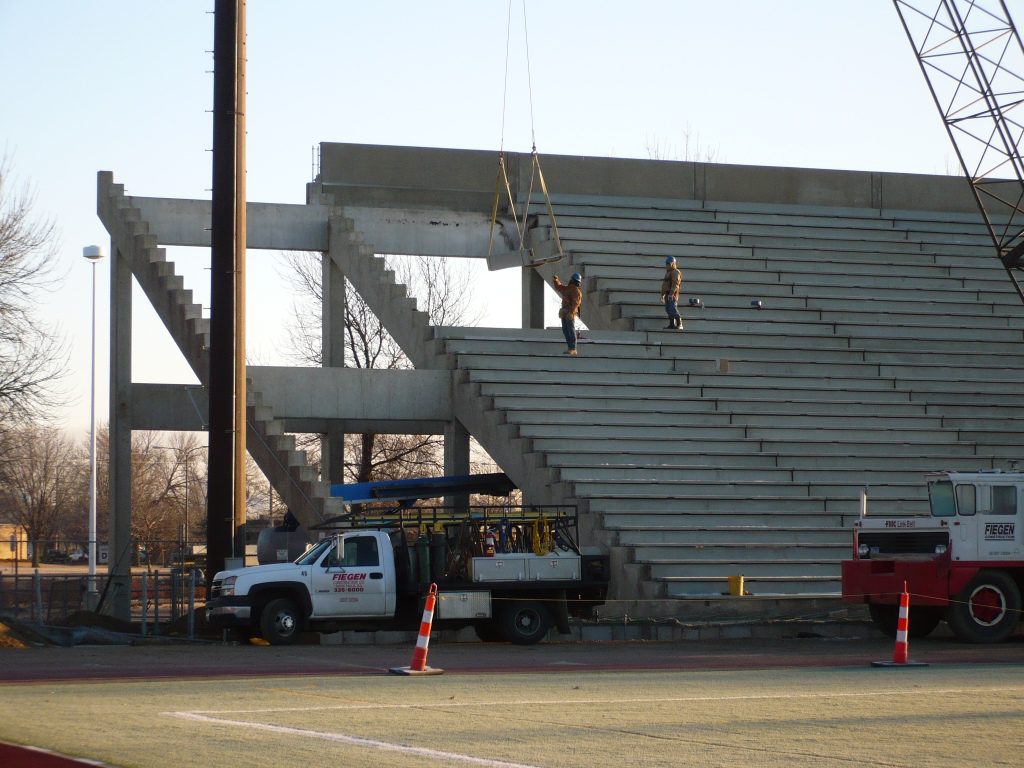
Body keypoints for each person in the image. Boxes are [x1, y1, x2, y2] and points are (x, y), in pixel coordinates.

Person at [552, 272, 582, 355]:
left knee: (570, 330)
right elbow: (559, 287)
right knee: (566, 330)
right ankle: (570, 348)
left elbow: (576, 303)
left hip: (570, 312)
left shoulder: (576, 291)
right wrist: (556, 281)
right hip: (565, 312)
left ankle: (573, 348)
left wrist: (571, 312)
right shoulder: (568, 288)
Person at [660, 256, 683, 330]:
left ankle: (679, 324)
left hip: (672, 294)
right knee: (668, 309)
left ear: (673, 264)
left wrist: (671, 293)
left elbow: (675, 284)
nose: (667, 265)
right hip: (667, 294)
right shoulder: (668, 273)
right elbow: (664, 285)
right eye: (666, 264)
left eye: (669, 264)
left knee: (673, 309)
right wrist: (662, 295)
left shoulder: (675, 272)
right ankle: (672, 324)